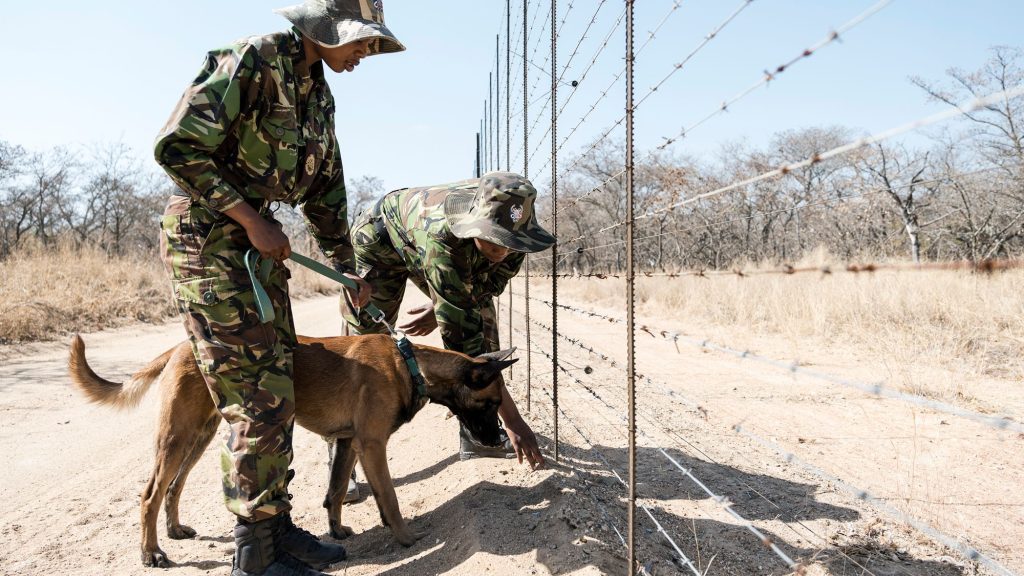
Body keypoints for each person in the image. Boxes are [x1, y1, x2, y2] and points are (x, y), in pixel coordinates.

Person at [153, 1, 403, 575]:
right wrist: (247, 216)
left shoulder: (319, 93)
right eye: (363, 41)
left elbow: (327, 193)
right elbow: (176, 146)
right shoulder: (256, 58)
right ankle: (256, 556)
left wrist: (349, 269)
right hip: (209, 240)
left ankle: (277, 528)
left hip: (256, 247)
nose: (368, 52)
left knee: (280, 386)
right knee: (254, 395)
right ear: (328, 27)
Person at [341, 171, 555, 470]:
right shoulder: (445, 239)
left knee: (480, 320)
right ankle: (343, 460)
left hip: (436, 247)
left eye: (509, 243)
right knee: (364, 348)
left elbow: (484, 289)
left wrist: (444, 303)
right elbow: (466, 349)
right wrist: (516, 422)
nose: (502, 252)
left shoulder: (514, 230)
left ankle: (478, 434)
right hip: (382, 240)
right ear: (476, 225)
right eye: (494, 242)